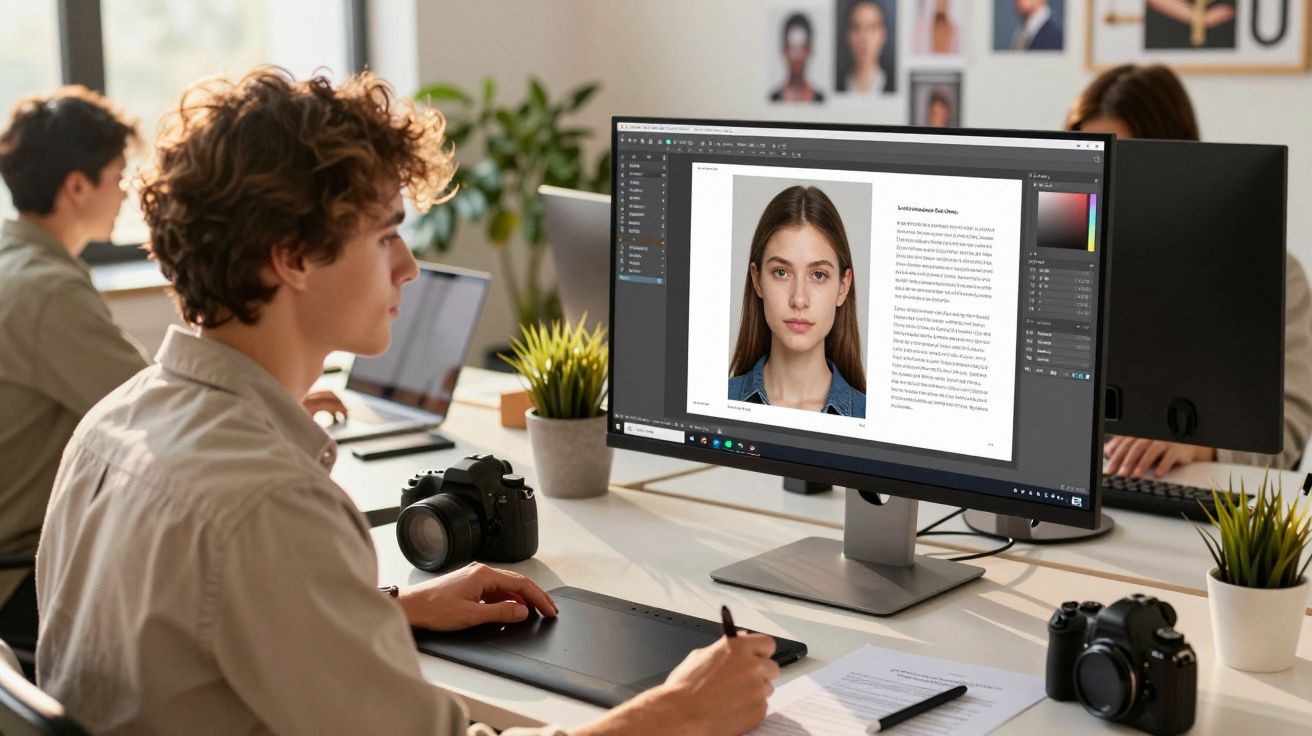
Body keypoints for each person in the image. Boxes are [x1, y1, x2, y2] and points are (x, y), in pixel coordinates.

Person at [34, 67, 780, 735]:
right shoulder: (267, 503)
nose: (410, 267)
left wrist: (380, 613)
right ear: (293, 256)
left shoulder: (113, 424)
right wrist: (677, 714)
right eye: (387, 236)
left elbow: (200, 633)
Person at [1066, 64, 1312, 477]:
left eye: (1122, 164)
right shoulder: (1062, 259)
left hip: (1187, 497)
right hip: (1075, 489)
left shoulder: (1274, 274)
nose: (1103, 184)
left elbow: (1288, 428)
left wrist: (1200, 448)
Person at [0, 86, 152, 672]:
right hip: (17, 581)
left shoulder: (22, 265)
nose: (126, 191)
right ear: (77, 186)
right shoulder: (47, 291)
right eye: (118, 174)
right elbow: (157, 415)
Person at [729, 185, 866, 418]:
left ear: (843, 287)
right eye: (781, 272)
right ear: (757, 279)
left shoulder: (871, 418)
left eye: (818, 275)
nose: (799, 299)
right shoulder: (717, 401)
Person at [839, 0, 893, 94]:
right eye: (856, 28)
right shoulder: (838, 85)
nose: (863, 39)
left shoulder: (892, 85)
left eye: (871, 28)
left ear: (883, 36)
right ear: (847, 36)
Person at [770, 13, 826, 103]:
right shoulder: (772, 99)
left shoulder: (820, 100)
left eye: (802, 47)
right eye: (792, 47)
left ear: (809, 51)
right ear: (784, 50)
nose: (797, 56)